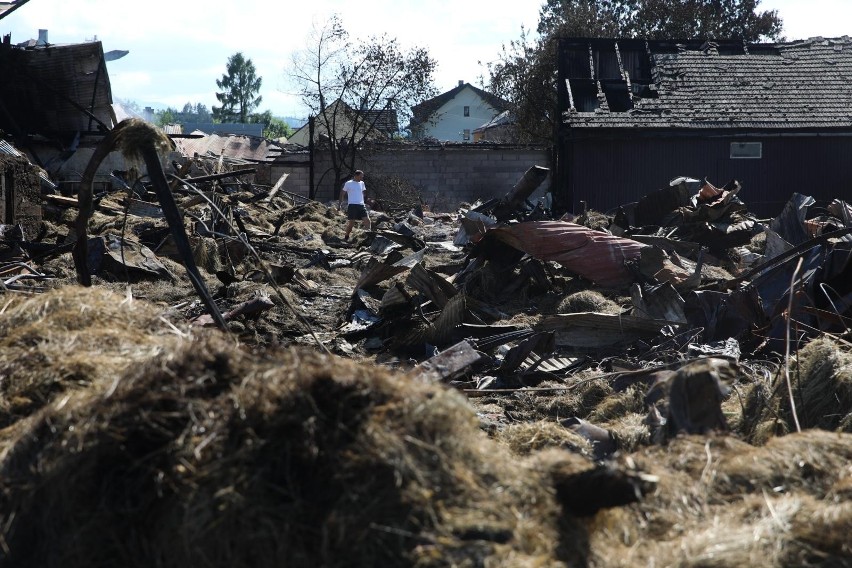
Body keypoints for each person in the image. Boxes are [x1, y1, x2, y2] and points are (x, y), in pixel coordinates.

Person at [339, 169, 371, 240]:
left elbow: (363, 193)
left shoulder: (362, 183)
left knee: (367, 221)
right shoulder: (348, 183)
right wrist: (340, 204)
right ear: (356, 176)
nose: (362, 178)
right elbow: (342, 193)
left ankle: (368, 238)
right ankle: (346, 236)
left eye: (362, 176)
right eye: (361, 176)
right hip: (352, 205)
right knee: (351, 224)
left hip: (361, 205)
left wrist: (366, 201)